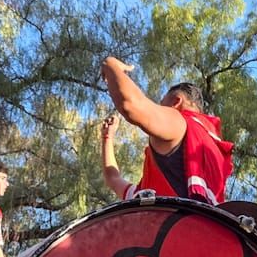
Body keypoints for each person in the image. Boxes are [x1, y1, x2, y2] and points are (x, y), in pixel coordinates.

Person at [100, 61, 233, 203]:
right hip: (205, 223)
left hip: (173, 224)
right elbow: (113, 179)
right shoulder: (211, 150)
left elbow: (130, 105)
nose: (158, 110)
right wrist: (107, 137)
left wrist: (110, 65)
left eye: (161, 105)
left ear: (176, 102)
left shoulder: (181, 123)